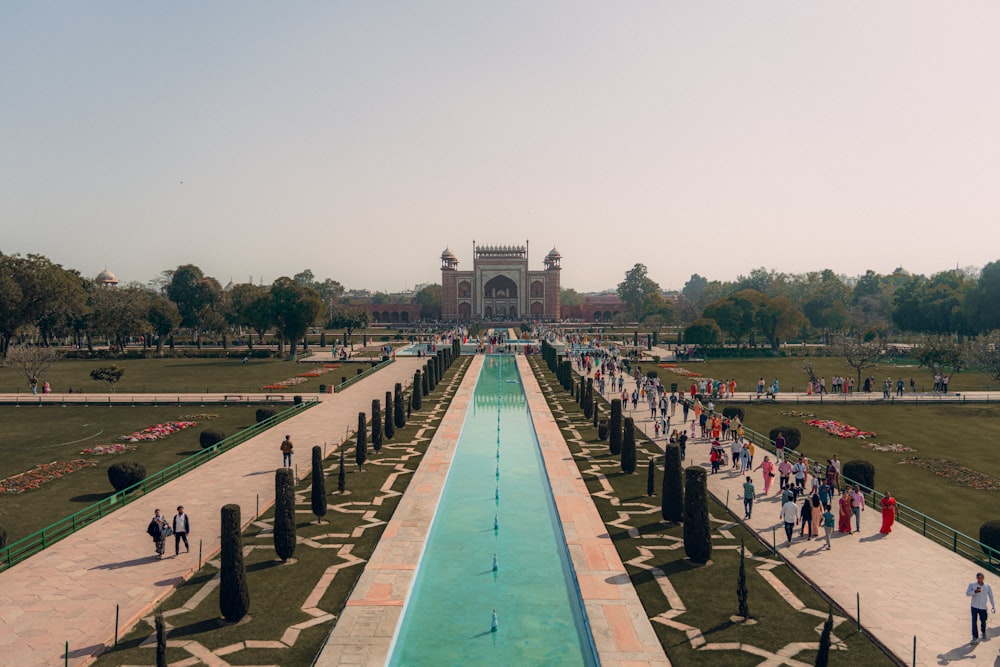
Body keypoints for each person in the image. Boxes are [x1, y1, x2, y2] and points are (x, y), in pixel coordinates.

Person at [966, 572, 995, 643]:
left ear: (983, 578)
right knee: (974, 621)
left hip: (983, 607)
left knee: (983, 621)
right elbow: (967, 593)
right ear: (977, 578)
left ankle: (983, 631)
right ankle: (975, 636)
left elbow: (991, 596)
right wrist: (974, 591)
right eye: (978, 578)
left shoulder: (987, 586)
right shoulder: (972, 584)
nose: (980, 580)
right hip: (974, 606)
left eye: (981, 578)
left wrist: (993, 606)